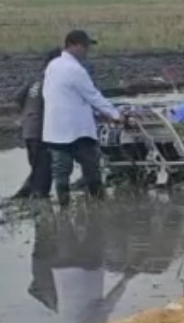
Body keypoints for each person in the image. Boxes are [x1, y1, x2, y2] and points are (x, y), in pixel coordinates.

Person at [43, 30, 123, 206]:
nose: (87, 51)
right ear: (73, 45)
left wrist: (100, 112)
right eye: (85, 46)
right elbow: (93, 96)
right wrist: (116, 115)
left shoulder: (52, 66)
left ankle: (63, 209)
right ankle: (99, 205)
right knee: (92, 169)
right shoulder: (75, 69)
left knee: (61, 172)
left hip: (54, 130)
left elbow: (66, 95)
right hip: (77, 131)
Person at [12, 48, 63, 200]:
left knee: (37, 169)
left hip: (28, 130)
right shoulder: (53, 80)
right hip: (42, 132)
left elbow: (17, 99)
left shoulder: (36, 79)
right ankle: (41, 209)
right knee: (44, 173)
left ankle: (26, 195)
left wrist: (27, 115)